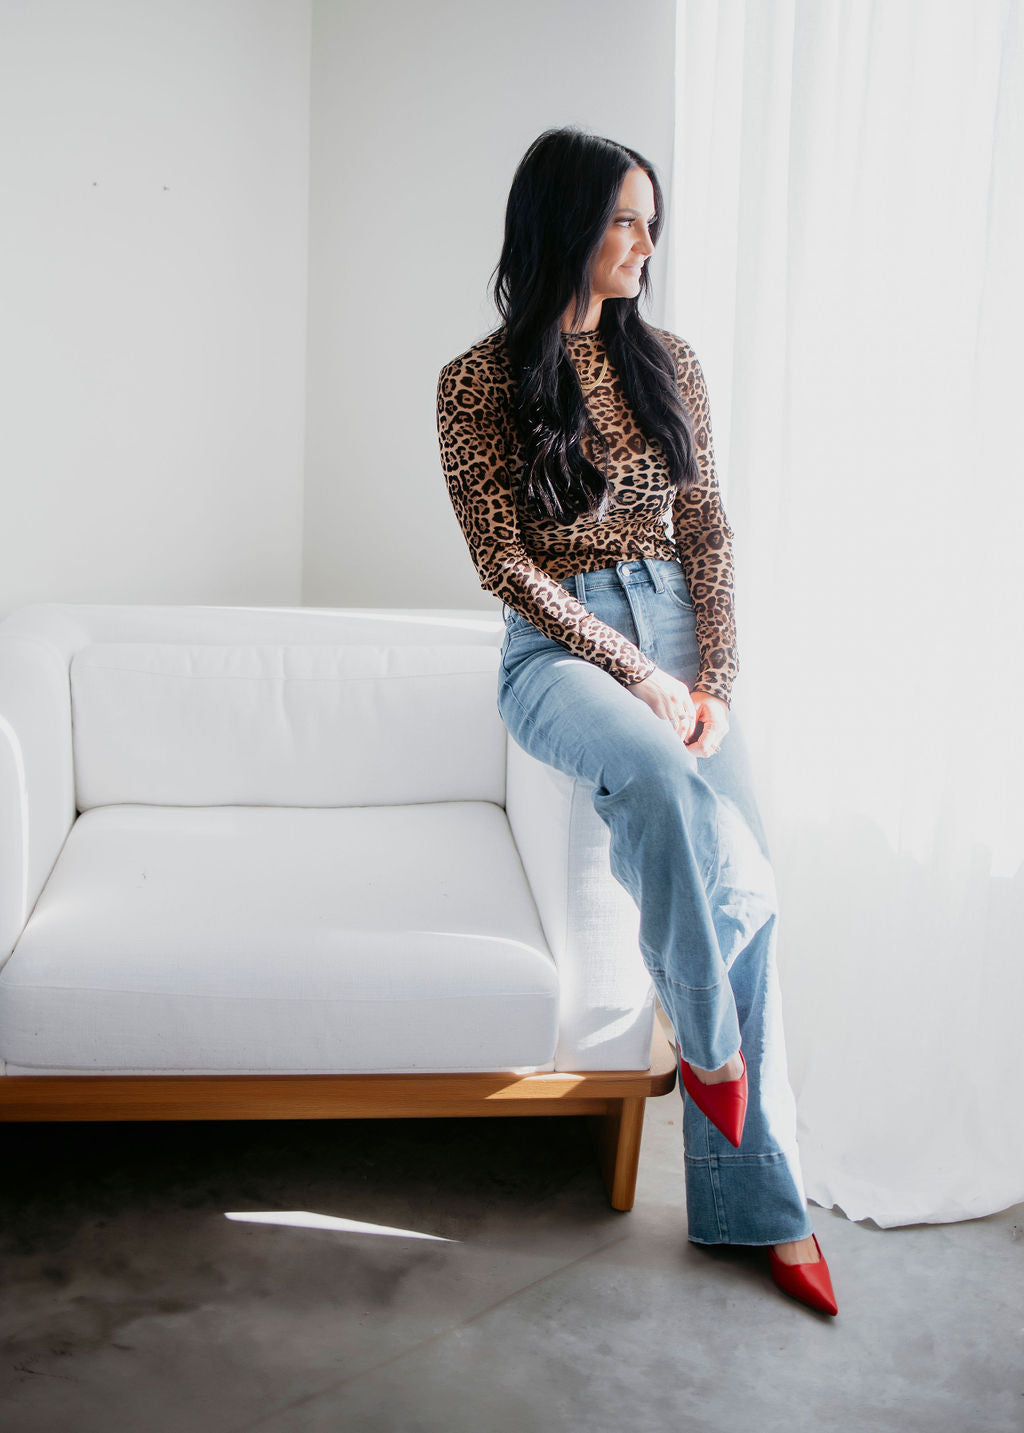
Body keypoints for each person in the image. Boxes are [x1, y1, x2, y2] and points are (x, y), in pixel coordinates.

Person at [435, 127, 837, 1316]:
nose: (645, 245)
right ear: (563, 224)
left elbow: (704, 526)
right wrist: (642, 680)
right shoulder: (476, 381)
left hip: (679, 633)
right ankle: (704, 1046)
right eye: (624, 220)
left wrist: (716, 677)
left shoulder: (669, 362)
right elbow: (505, 562)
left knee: (748, 887)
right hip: (558, 647)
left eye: (652, 223)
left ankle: (759, 1208)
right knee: (660, 780)